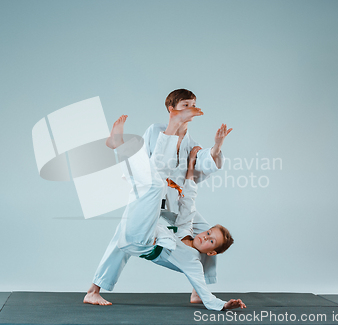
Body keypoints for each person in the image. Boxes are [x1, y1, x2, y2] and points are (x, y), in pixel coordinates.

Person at [85, 111, 245, 311]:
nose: (190, 111)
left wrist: (215, 148)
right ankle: (94, 289)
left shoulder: (189, 142)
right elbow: (152, 167)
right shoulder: (155, 132)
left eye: (193, 106)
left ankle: (199, 289)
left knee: (208, 232)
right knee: (149, 190)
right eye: (185, 107)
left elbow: (204, 163)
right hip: (153, 203)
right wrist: (171, 134)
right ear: (172, 110)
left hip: (171, 203)